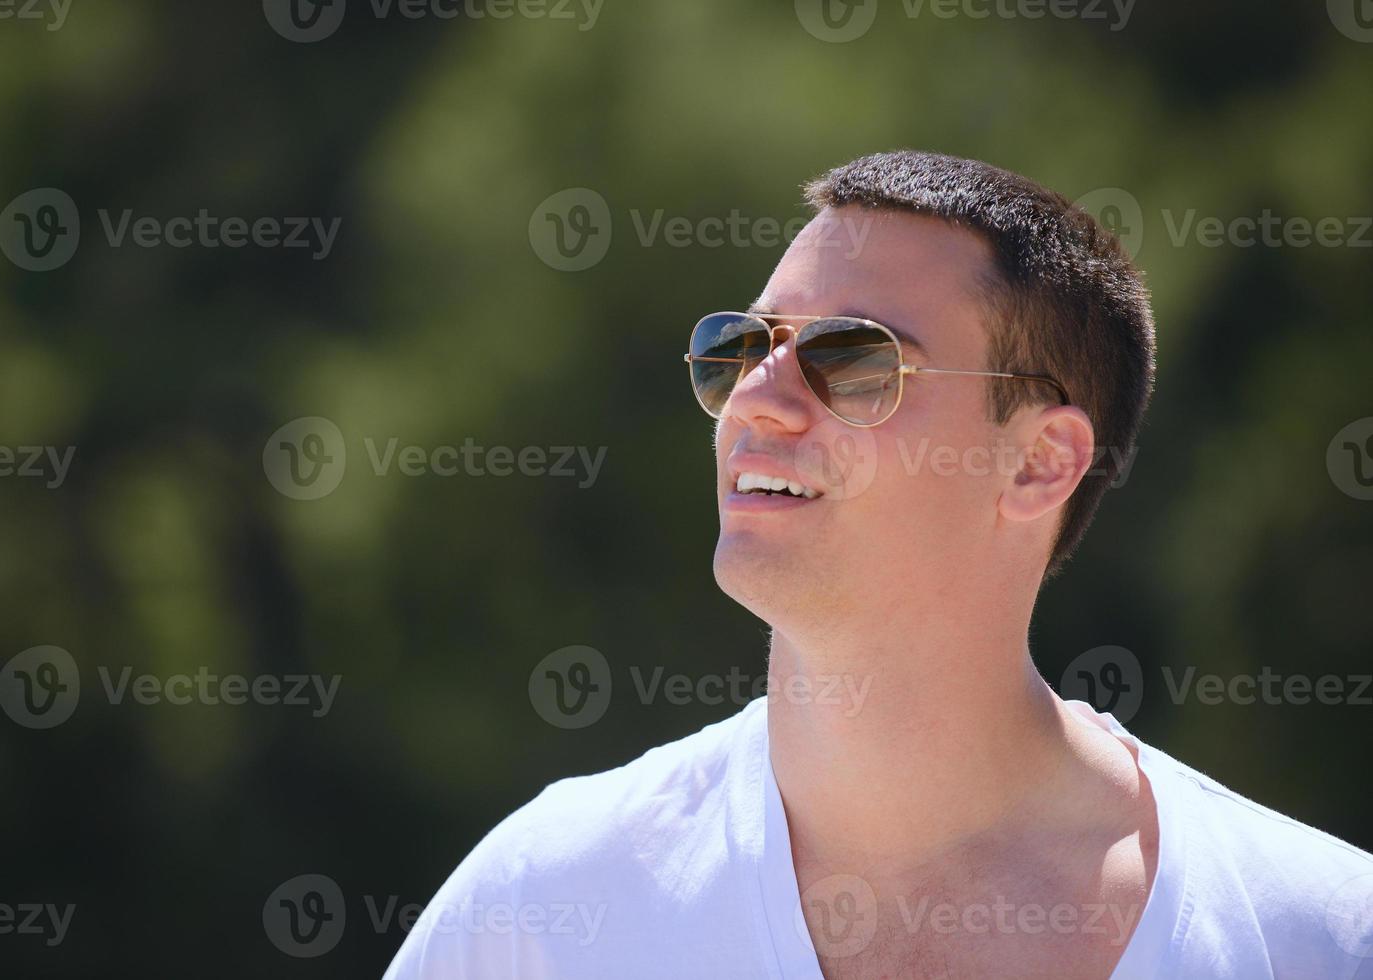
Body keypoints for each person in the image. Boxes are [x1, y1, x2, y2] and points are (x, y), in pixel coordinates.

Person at [383, 150, 1373, 979]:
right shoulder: (543, 906)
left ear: (1039, 461)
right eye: (740, 348)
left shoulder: (1314, 935)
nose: (756, 400)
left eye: (851, 360)